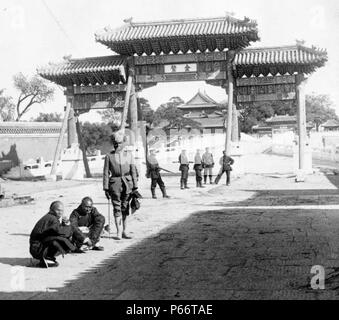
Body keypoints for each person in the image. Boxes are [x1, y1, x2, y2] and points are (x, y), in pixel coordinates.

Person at [29, 201, 90, 268]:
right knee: (60, 240)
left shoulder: (49, 217)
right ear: (51, 209)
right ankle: (48, 258)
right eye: (58, 210)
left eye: (61, 211)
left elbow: (54, 230)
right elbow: (63, 233)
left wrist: (65, 225)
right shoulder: (52, 219)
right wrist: (68, 225)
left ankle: (47, 258)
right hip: (37, 250)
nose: (60, 213)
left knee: (60, 237)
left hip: (35, 248)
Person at [103, 131, 139, 240]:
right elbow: (105, 173)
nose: (117, 145)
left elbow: (133, 170)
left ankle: (125, 231)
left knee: (125, 207)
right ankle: (118, 232)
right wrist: (105, 187)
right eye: (115, 143)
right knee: (117, 208)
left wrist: (135, 185)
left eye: (119, 143)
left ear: (123, 143)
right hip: (114, 184)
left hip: (128, 183)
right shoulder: (109, 156)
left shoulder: (129, 155)